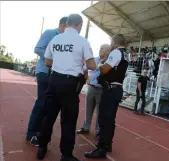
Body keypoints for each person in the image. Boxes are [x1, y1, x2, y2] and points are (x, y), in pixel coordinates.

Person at [36, 14, 96, 161]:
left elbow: (48, 62)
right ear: (80, 25)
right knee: (68, 121)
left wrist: (61, 61)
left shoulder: (56, 39)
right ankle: (66, 155)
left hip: (54, 81)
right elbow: (92, 66)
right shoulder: (82, 41)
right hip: (70, 85)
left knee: (48, 116)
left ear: (67, 24)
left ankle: (42, 147)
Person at [84, 34, 128, 159]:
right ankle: (107, 144)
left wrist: (99, 66)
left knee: (103, 119)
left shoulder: (116, 52)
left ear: (114, 41)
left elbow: (104, 70)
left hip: (110, 90)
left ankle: (101, 148)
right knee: (110, 119)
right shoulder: (125, 54)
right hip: (116, 89)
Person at [26, 16, 68, 146]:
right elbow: (37, 49)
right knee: (42, 102)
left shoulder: (64, 39)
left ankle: (39, 131)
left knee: (48, 104)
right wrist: (54, 56)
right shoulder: (50, 33)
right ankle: (31, 133)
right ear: (64, 25)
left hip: (54, 74)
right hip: (44, 72)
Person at [76, 44, 111, 136]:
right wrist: (86, 75)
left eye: (102, 48)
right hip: (91, 87)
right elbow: (84, 67)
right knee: (88, 108)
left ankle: (98, 131)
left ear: (108, 51)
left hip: (101, 89)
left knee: (100, 111)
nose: (100, 50)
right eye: (100, 48)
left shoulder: (110, 61)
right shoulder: (94, 59)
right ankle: (86, 127)